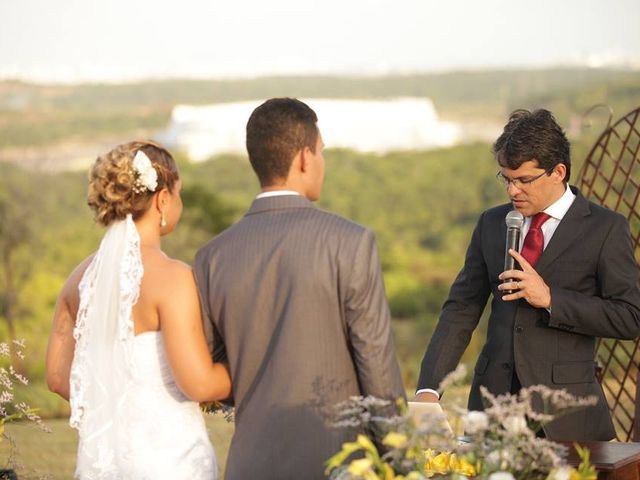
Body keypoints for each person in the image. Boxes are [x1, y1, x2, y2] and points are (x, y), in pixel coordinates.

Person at [194, 97, 405, 479]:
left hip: (248, 464)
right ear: (305, 159)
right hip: (339, 461)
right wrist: (398, 460)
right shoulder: (350, 242)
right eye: (322, 152)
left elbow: (214, 372)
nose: (323, 163)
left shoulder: (211, 257)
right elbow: (376, 365)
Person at [415, 109, 640, 440]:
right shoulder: (491, 224)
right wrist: (429, 389)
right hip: (492, 415)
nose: (512, 191)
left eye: (523, 180)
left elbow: (630, 317)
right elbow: (460, 310)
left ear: (558, 172)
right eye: (506, 178)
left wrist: (551, 299)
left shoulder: (605, 228)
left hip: (568, 420)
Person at [46, 140, 231, 479]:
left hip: (104, 464)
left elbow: (58, 377)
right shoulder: (173, 279)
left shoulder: (77, 281)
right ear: (162, 199)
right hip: (169, 462)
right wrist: (250, 369)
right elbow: (200, 385)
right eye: (179, 193)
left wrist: (113, 403)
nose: (180, 202)